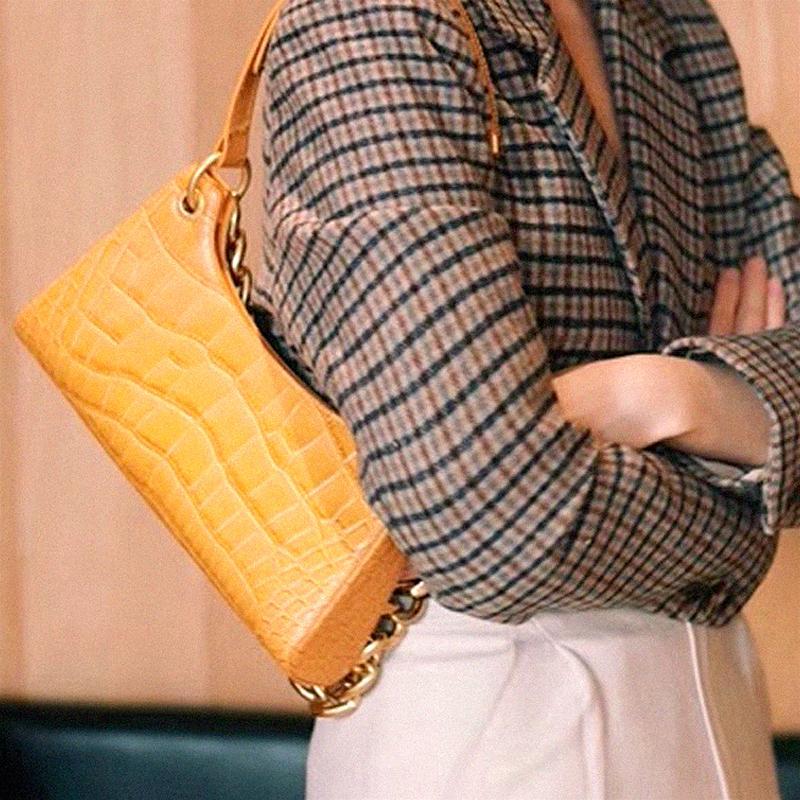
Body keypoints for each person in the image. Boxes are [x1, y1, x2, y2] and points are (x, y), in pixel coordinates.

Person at [254, 0, 800, 797]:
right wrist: (750, 480)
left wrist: (671, 394)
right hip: (492, 735)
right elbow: (484, 514)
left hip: (715, 717)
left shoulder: (673, 19)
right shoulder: (371, 20)